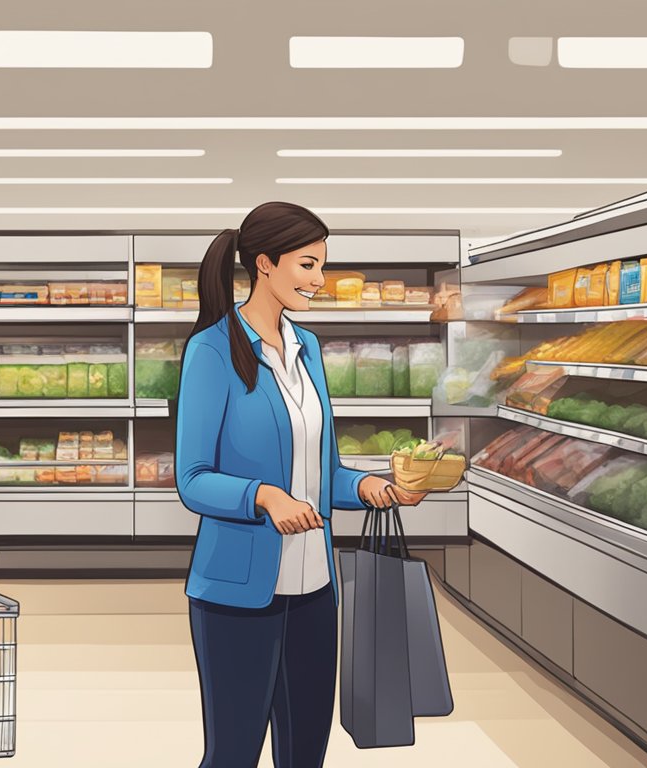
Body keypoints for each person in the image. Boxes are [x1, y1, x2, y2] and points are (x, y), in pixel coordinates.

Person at [175, 202, 426, 768]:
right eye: (307, 266)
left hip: (315, 587)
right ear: (264, 264)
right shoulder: (212, 350)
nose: (319, 281)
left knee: (306, 754)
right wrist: (264, 497)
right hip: (237, 594)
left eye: (322, 267)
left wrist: (375, 488)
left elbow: (323, 469)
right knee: (233, 754)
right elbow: (191, 480)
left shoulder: (308, 347)